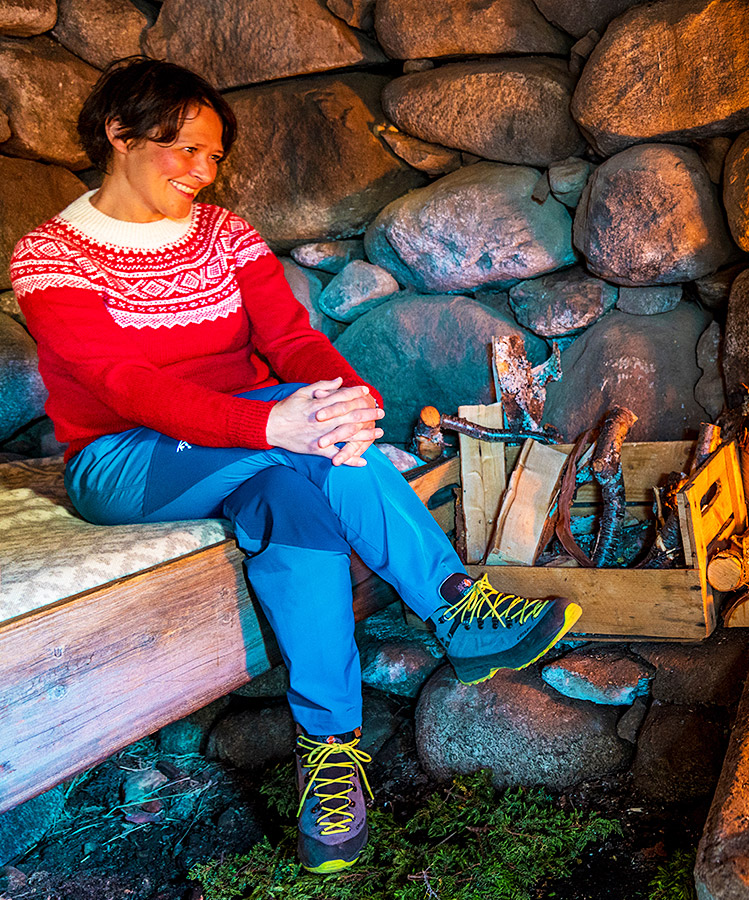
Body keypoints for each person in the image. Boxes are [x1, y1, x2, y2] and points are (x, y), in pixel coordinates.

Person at [9, 57, 582, 875]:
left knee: (300, 496)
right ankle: (456, 610)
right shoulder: (51, 255)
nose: (204, 173)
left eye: (214, 157)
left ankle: (331, 758)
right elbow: (119, 384)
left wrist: (345, 404)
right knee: (301, 447)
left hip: (257, 446)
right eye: (185, 150)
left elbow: (290, 343)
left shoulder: (225, 238)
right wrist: (277, 420)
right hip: (125, 459)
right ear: (120, 133)